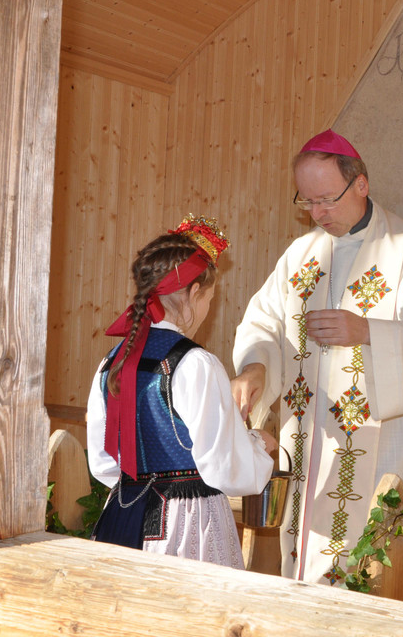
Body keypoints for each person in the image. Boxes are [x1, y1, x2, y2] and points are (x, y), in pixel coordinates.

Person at [232, 129, 403, 585]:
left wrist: (366, 331)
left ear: (361, 184)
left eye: (326, 200)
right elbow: (265, 322)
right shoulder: (301, 254)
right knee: (309, 560)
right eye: (307, 201)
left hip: (380, 440)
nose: (316, 214)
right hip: (309, 437)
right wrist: (255, 369)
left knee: (371, 566)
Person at [86, 214, 277, 569]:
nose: (207, 309)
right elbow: (225, 468)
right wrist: (258, 445)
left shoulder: (111, 361)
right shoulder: (196, 363)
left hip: (121, 517)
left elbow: (104, 463)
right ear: (193, 293)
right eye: (209, 298)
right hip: (185, 526)